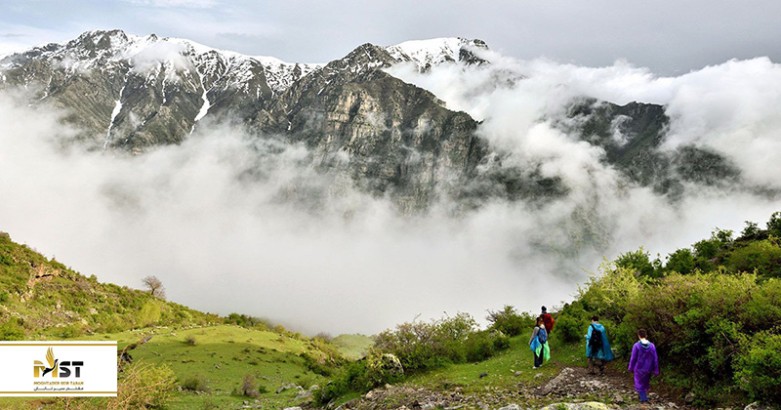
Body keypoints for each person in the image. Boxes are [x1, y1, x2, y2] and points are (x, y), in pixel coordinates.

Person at [628, 329, 659, 404]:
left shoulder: (636, 345)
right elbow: (655, 358)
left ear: (638, 336)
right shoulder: (652, 346)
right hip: (648, 368)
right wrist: (656, 370)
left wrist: (630, 367)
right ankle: (643, 396)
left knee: (639, 383)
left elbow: (633, 358)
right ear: (646, 336)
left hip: (639, 368)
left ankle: (643, 399)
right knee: (645, 382)